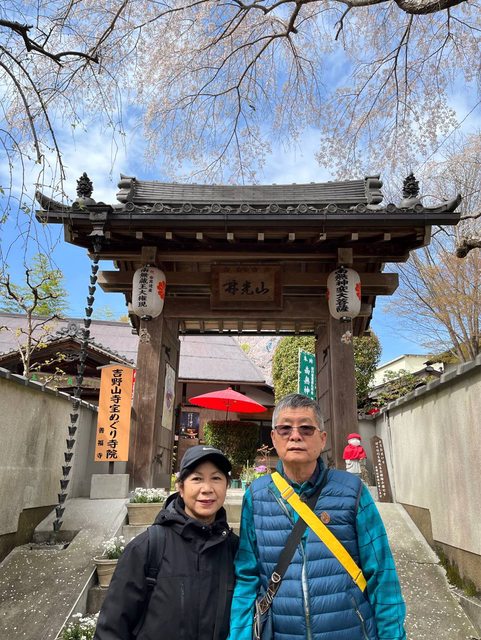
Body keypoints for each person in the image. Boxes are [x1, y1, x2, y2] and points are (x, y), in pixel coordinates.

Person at [228, 393, 406, 640]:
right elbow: (247, 577)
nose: (295, 436)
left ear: (322, 439)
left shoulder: (351, 491)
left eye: (306, 428)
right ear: (274, 438)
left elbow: (382, 574)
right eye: (285, 429)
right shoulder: (256, 496)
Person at [94, 445, 239, 640]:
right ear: (180, 487)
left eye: (216, 478)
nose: (207, 489)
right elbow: (111, 630)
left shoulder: (235, 549)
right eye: (197, 479)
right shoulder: (147, 548)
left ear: (227, 486)